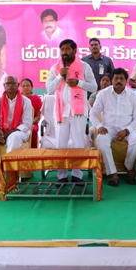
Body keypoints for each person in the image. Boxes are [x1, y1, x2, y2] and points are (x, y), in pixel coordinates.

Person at [46, 39, 97, 183]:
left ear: (75, 51)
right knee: (60, 144)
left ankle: (77, 175)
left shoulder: (84, 67)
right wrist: (59, 76)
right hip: (61, 112)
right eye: (62, 49)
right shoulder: (55, 68)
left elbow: (94, 86)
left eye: (67, 49)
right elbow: (49, 89)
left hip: (78, 112)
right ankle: (61, 176)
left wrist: (78, 83)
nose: (64, 52)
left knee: (78, 142)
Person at [91, 68, 136, 186]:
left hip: (128, 127)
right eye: (116, 78)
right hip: (108, 128)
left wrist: (127, 130)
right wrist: (99, 126)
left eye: (121, 79)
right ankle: (112, 172)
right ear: (112, 80)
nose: (119, 81)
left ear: (126, 81)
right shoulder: (103, 94)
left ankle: (129, 166)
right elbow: (93, 114)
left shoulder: (133, 95)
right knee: (101, 140)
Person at [0, 75, 33, 189]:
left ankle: (10, 175)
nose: (10, 86)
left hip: (19, 131)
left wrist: (8, 133)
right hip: (1, 130)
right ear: (4, 86)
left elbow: (26, 124)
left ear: (17, 85)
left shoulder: (26, 101)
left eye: (13, 83)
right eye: (8, 84)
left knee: (14, 137)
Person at [21, 78, 42, 149]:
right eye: (23, 86)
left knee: (33, 130)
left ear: (32, 87)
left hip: (32, 123)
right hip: (19, 123)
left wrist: (30, 122)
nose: (25, 88)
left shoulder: (36, 99)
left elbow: (38, 116)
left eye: (28, 85)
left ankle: (33, 152)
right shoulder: (18, 98)